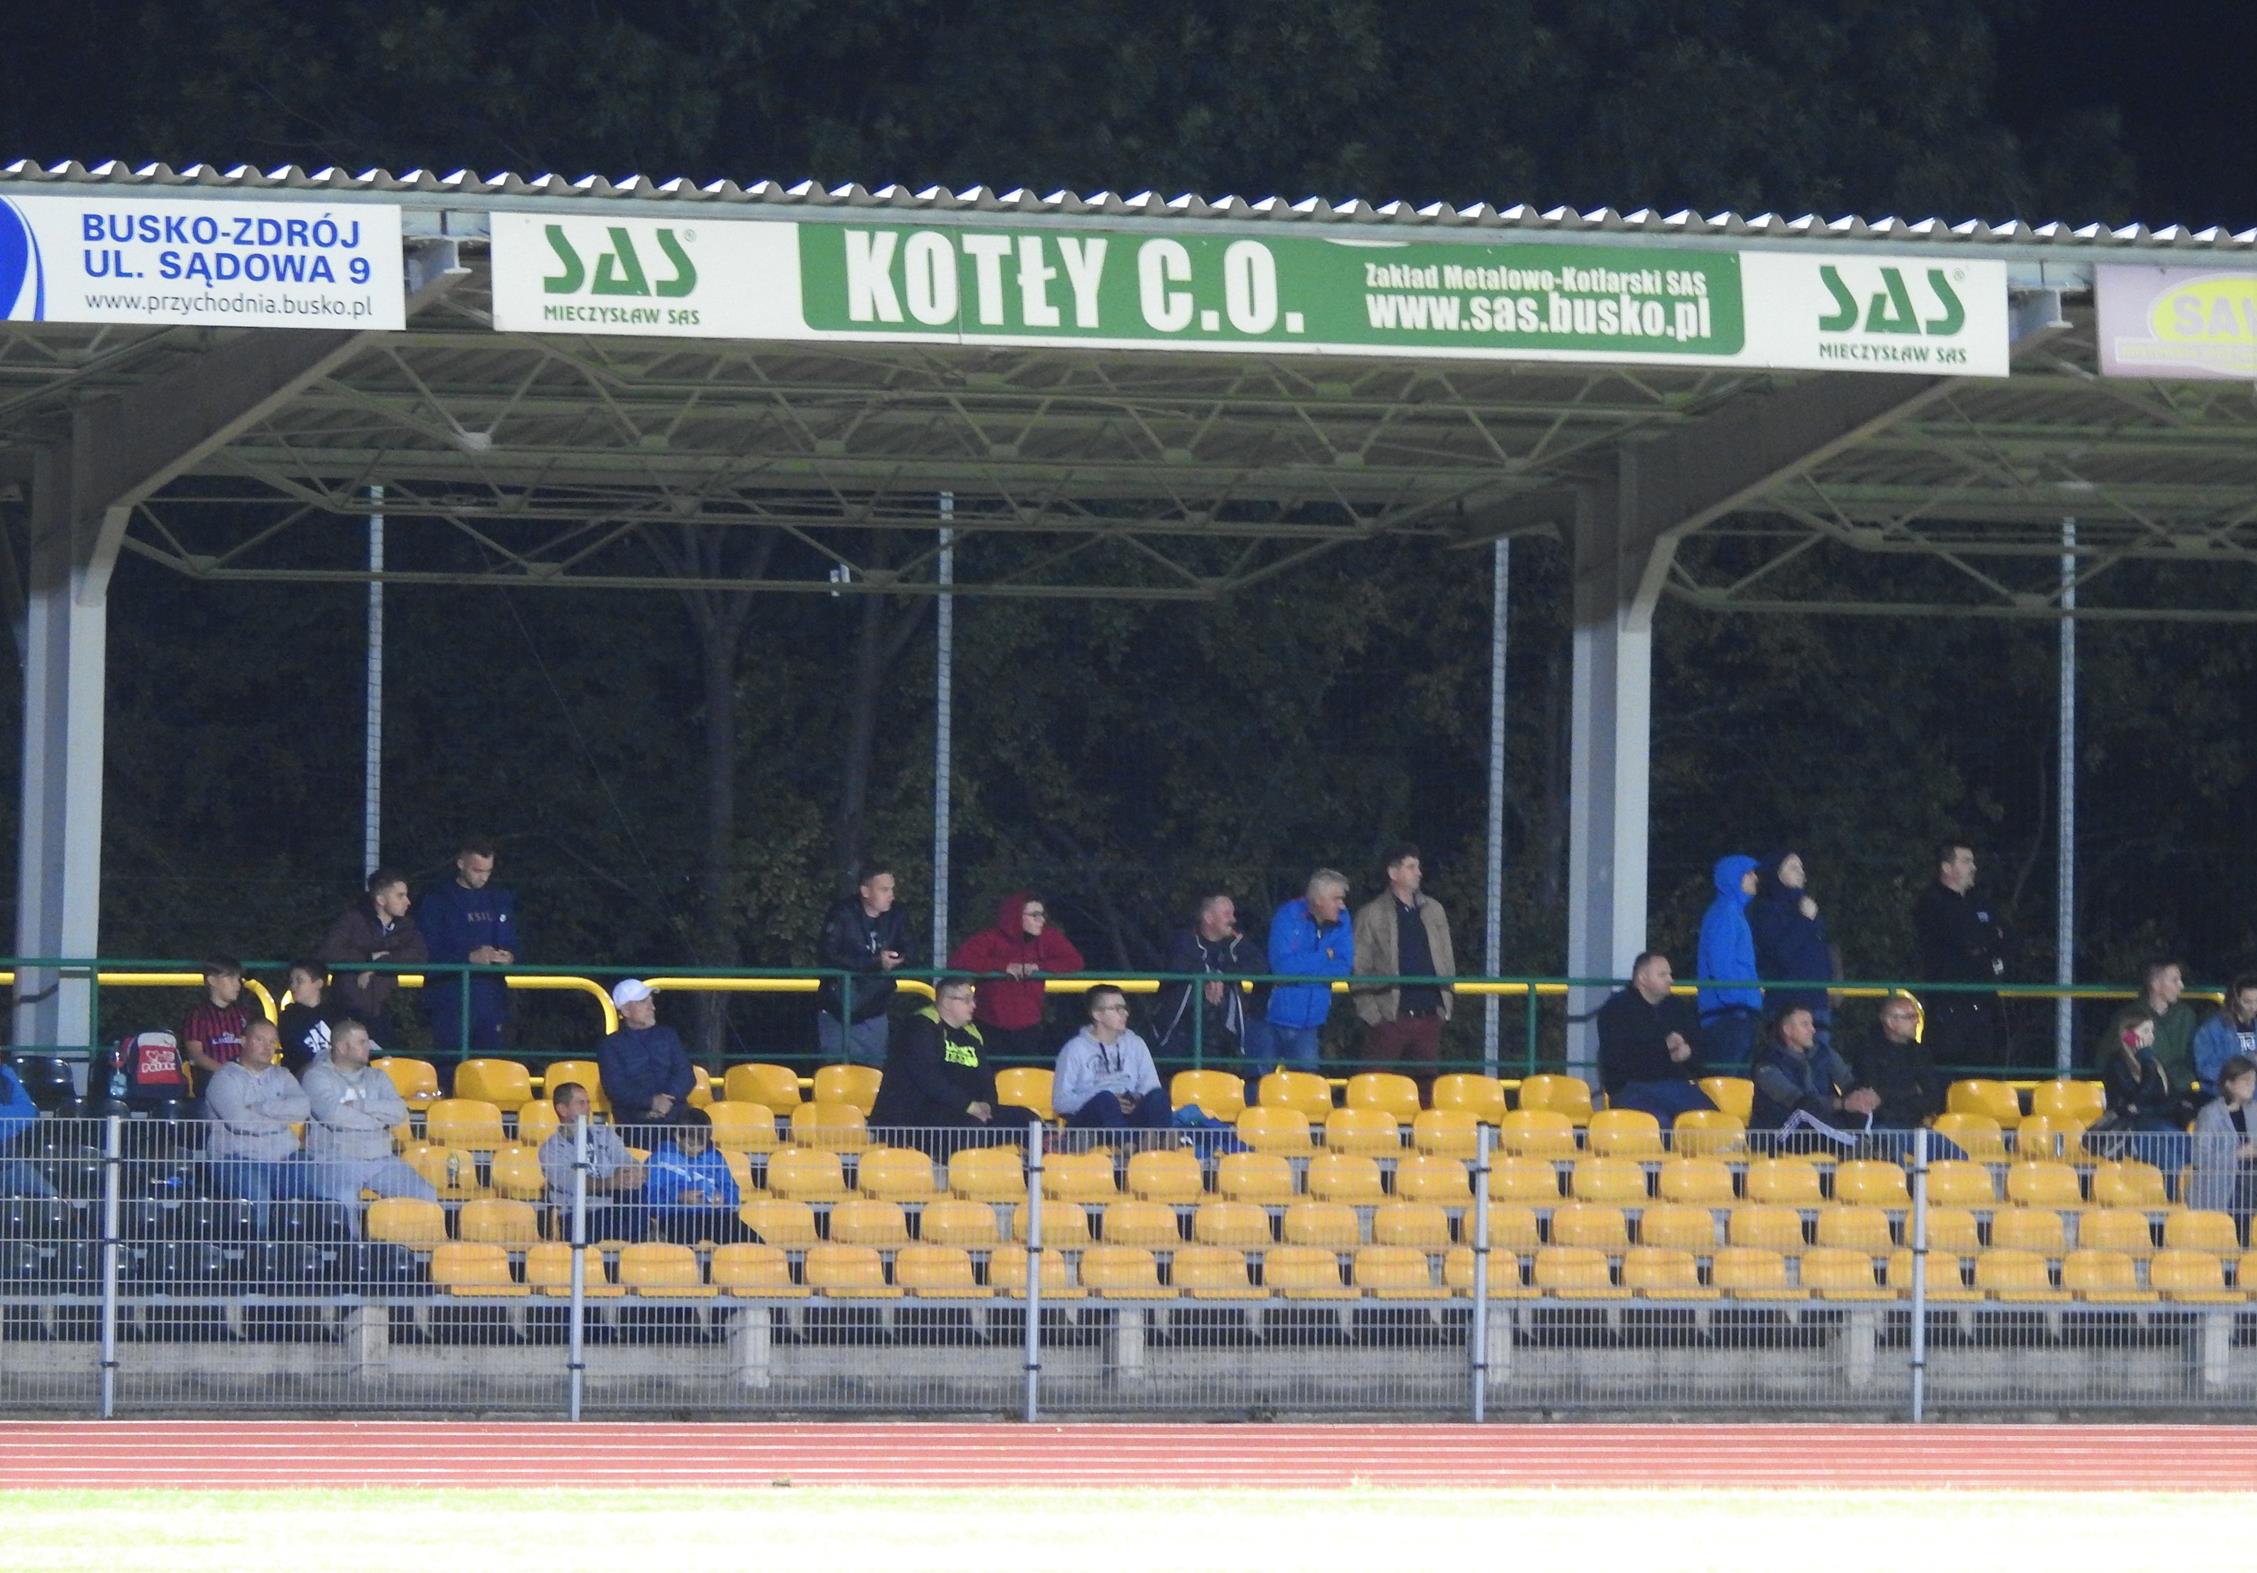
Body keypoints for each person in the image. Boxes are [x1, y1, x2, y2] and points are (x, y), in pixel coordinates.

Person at [868, 978, 1044, 1150]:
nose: (973, 1005)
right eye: (966, 1000)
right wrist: (968, 1105)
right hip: (914, 1116)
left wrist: (987, 1105)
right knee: (970, 1128)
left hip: (961, 1111)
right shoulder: (920, 1027)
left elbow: (986, 1079)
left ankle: (1045, 1164)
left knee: (1026, 1119)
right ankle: (964, 1169)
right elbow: (928, 1078)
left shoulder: (972, 1034)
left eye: (973, 999)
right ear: (946, 1002)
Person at [301, 1017, 436, 1229]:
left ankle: (407, 1247)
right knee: (343, 1198)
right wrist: (378, 1120)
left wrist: (360, 1105)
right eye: (362, 1042)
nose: (369, 1047)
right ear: (342, 1047)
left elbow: (399, 1112)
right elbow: (333, 1116)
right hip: (335, 1159)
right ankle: (352, 1247)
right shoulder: (316, 1077)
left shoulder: (378, 1077)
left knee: (425, 1193)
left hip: (381, 1158)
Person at [1351, 844, 1456, 1086]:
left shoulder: (1434, 910)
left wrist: (1445, 1005)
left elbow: (1446, 959)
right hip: (1390, 1015)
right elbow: (1359, 966)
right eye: (1411, 867)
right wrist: (1372, 1014)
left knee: (1426, 1087)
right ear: (1393, 873)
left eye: (1417, 866)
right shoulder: (1371, 914)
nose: (1419, 872)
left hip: (1429, 1015)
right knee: (1372, 1084)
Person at [946, 891, 1084, 1060]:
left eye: (1042, 915)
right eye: (1035, 915)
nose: (1041, 920)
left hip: (1029, 1025)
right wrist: (1003, 967)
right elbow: (959, 960)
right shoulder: (991, 938)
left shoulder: (1048, 937)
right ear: (1017, 916)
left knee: (1024, 1068)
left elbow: (1074, 961)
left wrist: (1039, 967)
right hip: (989, 1023)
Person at [417, 838, 519, 1056]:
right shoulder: (437, 900)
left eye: (488, 871)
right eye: (477, 870)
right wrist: (468, 957)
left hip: (490, 998)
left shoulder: (498, 899)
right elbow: (426, 950)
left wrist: (509, 956)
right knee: (450, 1063)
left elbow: (512, 940)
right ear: (461, 863)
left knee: (489, 1065)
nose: (483, 877)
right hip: (449, 997)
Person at [1911, 841, 2008, 1065]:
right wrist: (1985, 940)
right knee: (1948, 1070)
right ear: (1947, 867)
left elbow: (2007, 938)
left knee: (1982, 1073)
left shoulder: (1980, 901)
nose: (1973, 867)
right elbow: (1962, 940)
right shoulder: (1931, 903)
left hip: (1983, 1006)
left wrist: (1983, 943)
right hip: (1948, 1007)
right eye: (1966, 861)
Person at [1249, 870, 1353, 1077]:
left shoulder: (1343, 919)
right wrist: (1324, 956)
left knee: (1305, 1085)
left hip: (1310, 1022)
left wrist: (1303, 967)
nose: (1342, 905)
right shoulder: (1287, 916)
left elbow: (1343, 967)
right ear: (1318, 900)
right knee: (1258, 1083)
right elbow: (1282, 968)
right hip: (1270, 1016)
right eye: (1337, 899)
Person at [204, 1020, 312, 1214]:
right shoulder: (224, 1078)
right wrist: (282, 1121)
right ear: (243, 1041)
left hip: (284, 1158)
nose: (267, 1047)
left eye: (272, 1041)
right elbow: (239, 1122)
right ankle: (259, 1235)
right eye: (260, 1040)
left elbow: (303, 1107)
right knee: (259, 1199)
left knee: (315, 1186)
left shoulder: (283, 1075)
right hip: (238, 1159)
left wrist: (259, 1108)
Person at [1594, 952, 1715, 1122]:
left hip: (1675, 1085)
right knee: (1658, 1122)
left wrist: (1688, 1053)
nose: (1670, 980)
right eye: (1662, 975)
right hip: (1629, 1088)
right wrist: (1664, 1047)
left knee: (1713, 1120)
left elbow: (1701, 1049)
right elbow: (1617, 1060)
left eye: (1670, 974)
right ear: (1642, 978)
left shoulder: (1678, 1007)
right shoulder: (1615, 1010)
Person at [1150, 893, 1262, 1075]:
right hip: (1179, 1036)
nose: (1233, 920)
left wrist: (1222, 976)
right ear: (1208, 918)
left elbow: (1260, 965)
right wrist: (1208, 976)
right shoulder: (1183, 939)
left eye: (1233, 914)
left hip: (1221, 1040)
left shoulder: (1236, 941)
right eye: (1227, 914)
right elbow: (1178, 965)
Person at [814, 865, 912, 1068]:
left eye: (892, 889)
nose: (891, 895)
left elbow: (909, 947)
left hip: (874, 1006)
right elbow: (827, 954)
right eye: (884, 889)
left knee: (871, 1072)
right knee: (834, 1071)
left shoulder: (898, 914)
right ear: (865, 891)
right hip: (836, 1007)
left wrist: (898, 958)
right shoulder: (842, 913)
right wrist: (876, 962)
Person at [1749, 1005, 1879, 1147]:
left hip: (1822, 1125)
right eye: (1805, 1024)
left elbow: (1848, 1082)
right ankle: (1857, 1145)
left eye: (1811, 1024)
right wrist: (1843, 1104)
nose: (1812, 1030)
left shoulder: (1823, 1053)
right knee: (1805, 1112)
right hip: (1780, 1133)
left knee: (1861, 1100)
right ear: (1787, 1030)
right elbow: (1798, 1101)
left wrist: (1864, 1096)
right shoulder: (1767, 1064)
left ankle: (1864, 1142)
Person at [1747, 851, 1838, 1047]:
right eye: (1793, 867)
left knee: (1820, 1058)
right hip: (1786, 1003)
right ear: (1777, 873)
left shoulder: (1806, 905)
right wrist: (1805, 920)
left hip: (1817, 1001)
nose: (1801, 872)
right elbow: (1780, 954)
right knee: (1786, 1059)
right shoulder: (1766, 910)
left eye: (1801, 867)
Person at [538, 1081, 647, 1242]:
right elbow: (572, 1183)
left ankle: (643, 1239)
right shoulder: (550, 1150)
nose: (588, 1108)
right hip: (579, 1213)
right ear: (562, 1109)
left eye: (588, 1102)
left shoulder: (605, 1134)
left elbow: (625, 1159)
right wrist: (610, 1183)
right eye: (581, 1103)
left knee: (638, 1191)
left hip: (613, 1206)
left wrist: (634, 1173)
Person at [320, 868, 428, 1029]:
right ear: (381, 899)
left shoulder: (406, 926)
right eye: (400, 896)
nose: (408, 901)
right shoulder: (351, 920)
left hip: (384, 1012)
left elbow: (420, 957)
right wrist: (367, 958)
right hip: (347, 1009)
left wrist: (376, 964)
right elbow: (328, 952)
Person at [1053, 985, 1169, 1132]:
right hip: (1093, 1120)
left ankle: (1159, 1142)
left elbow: (1151, 1086)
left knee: (1159, 1096)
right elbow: (1061, 1102)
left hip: (1130, 1114)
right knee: (1106, 1100)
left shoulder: (1136, 1043)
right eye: (1117, 1009)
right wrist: (1102, 1098)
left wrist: (1136, 1098)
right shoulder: (1074, 1049)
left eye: (1125, 1008)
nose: (1125, 1013)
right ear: (1097, 1014)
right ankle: (1128, 1143)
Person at [642, 1108, 754, 1243]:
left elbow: (731, 1189)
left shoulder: (715, 1158)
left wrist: (723, 1198)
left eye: (702, 1145)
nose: (697, 1149)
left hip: (715, 1215)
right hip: (677, 1215)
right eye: (691, 1144)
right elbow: (648, 1198)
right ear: (677, 1136)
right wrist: (678, 1198)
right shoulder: (659, 1159)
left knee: (752, 1241)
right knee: (682, 1236)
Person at [1695, 855, 1762, 1070]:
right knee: (1728, 1080)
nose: (1755, 878)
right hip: (1729, 1016)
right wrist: (1740, 1000)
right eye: (1749, 873)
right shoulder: (1726, 913)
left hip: (1733, 1013)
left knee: (1735, 1080)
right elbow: (1721, 965)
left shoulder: (1731, 912)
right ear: (1735, 878)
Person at [598, 979, 693, 1127]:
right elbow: (615, 1089)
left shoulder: (668, 1035)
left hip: (675, 1119)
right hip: (634, 1122)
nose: (652, 1007)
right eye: (643, 1002)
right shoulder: (610, 1045)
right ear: (626, 1010)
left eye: (651, 1001)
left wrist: (663, 1102)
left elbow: (686, 1075)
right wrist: (652, 1102)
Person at [1851, 993, 1946, 1131]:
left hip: (1916, 1125)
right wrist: (1913, 1091)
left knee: (1951, 1146)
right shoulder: (1868, 1051)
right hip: (1881, 1126)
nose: (1917, 1021)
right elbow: (1872, 1098)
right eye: (1910, 1017)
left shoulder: (1920, 1052)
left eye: (1916, 1016)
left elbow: (1933, 1098)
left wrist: (1889, 1095)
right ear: (1891, 1022)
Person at [2189, 1056, 2257, 1233]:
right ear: (2229, 1084)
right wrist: (2238, 1154)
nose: (2251, 1085)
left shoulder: (2254, 1110)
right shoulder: (2210, 1114)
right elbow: (2199, 1158)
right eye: (2246, 1080)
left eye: (2253, 1080)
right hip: (2222, 1186)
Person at [181, 956, 265, 1085]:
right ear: (212, 980)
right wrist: (228, 1072)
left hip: (245, 1082)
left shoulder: (243, 1014)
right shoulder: (198, 1014)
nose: (237, 984)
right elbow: (196, 1055)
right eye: (230, 978)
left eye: (238, 979)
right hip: (212, 1081)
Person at [2135, 958, 2200, 1100]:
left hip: (2183, 1093)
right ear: (2155, 984)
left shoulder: (2186, 1015)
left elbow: (2195, 1057)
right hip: (2145, 1094)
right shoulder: (2130, 1017)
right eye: (2175, 980)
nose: (2181, 985)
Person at [0, 1052, 57, 1199]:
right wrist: (10, 1122)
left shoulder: (5, 1075)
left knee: (50, 1196)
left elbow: (28, 1114)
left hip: (8, 1163)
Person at [2193, 973, 2257, 1098]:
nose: (2254, 1007)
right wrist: (2243, 1067)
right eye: (2247, 1002)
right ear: (2234, 1001)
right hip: (2225, 1099)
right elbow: (2204, 1069)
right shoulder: (2211, 1030)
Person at [275, 960, 336, 1076]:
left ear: (319, 983)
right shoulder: (288, 1017)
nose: (293, 986)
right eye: (291, 981)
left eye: (300, 981)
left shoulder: (336, 1013)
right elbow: (292, 1051)